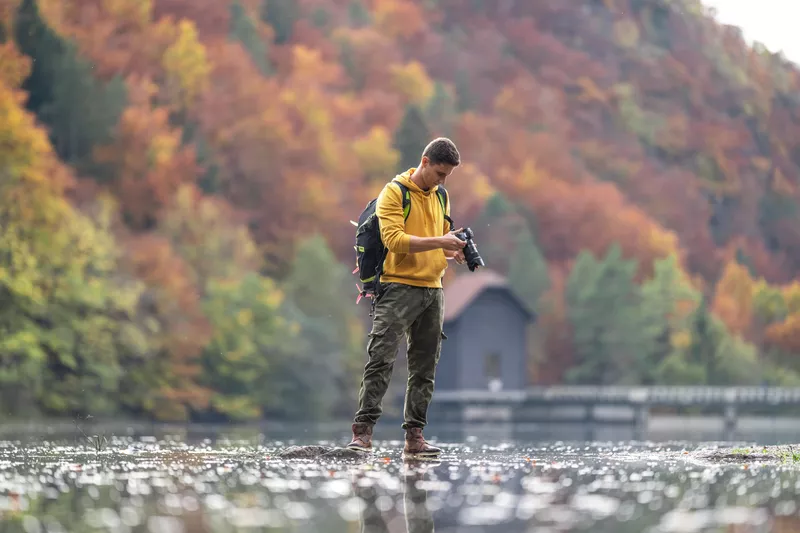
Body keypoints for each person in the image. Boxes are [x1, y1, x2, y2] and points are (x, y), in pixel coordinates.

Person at [347, 137, 467, 458]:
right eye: (440, 173)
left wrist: (450, 248)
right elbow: (396, 240)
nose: (442, 181)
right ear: (425, 162)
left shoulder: (441, 196)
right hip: (397, 286)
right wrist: (439, 240)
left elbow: (436, 239)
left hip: (433, 288)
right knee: (381, 359)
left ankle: (415, 437)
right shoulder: (394, 193)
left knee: (425, 366)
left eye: (447, 177)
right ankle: (362, 433)